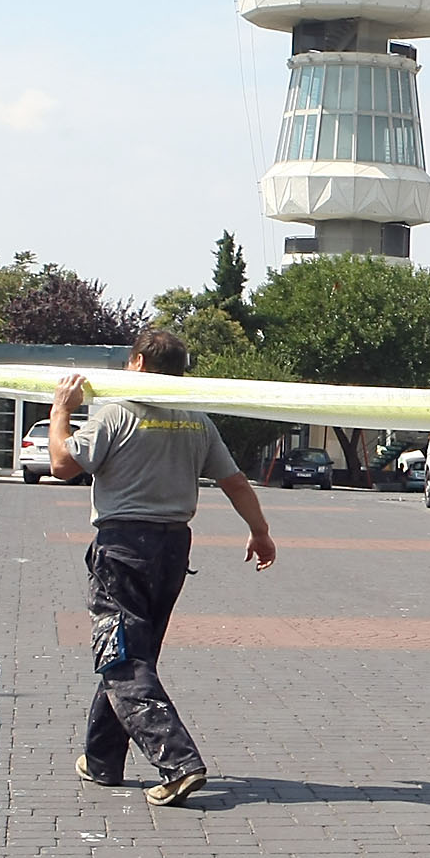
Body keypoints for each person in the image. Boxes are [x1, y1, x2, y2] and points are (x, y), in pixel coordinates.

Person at [50, 327, 277, 807]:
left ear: (136, 363)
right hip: (173, 548)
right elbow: (234, 482)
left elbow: (61, 466)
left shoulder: (117, 413)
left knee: (121, 657)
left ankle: (178, 763)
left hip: (123, 548)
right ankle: (101, 760)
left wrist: (60, 411)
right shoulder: (195, 420)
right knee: (135, 653)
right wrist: (259, 530)